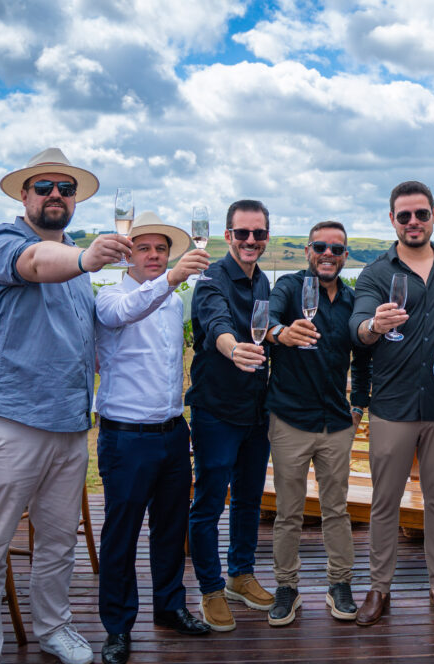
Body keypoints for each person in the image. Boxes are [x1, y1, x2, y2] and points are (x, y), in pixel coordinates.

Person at [0, 147, 131, 664]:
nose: (56, 195)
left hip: (68, 424)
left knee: (58, 541)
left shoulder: (74, 258)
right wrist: (85, 259)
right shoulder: (2, 241)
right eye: (44, 186)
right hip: (7, 419)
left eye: (66, 188)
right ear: (24, 195)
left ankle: (54, 627)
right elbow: (34, 263)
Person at [349, 181, 434, 626]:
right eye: (403, 215)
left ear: (433, 216)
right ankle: (378, 588)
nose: (413, 222)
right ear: (392, 220)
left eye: (420, 214)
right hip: (392, 405)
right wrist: (373, 325)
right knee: (385, 501)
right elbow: (358, 327)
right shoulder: (375, 274)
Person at [93, 212, 212, 664]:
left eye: (161, 249)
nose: (154, 255)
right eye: (144, 248)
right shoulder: (110, 296)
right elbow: (126, 312)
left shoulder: (174, 303)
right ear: (128, 254)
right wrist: (173, 279)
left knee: (170, 527)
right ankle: (117, 627)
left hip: (172, 432)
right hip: (125, 437)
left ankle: (170, 606)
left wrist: (170, 285)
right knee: (121, 535)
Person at [263, 220, 371, 626]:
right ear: (308, 251)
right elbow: (267, 323)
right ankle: (286, 587)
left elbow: (363, 360)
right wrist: (281, 333)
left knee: (336, 510)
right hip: (290, 419)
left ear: (345, 256)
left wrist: (358, 407)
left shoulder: (352, 300)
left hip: (336, 423)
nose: (328, 254)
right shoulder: (289, 288)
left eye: (336, 249)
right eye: (320, 246)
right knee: (288, 512)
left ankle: (339, 583)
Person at [185, 199, 273, 632]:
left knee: (249, 499)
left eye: (258, 233)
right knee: (208, 501)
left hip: (256, 410)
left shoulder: (264, 281)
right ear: (228, 236)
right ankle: (211, 588)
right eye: (242, 233)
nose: (250, 240)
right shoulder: (210, 279)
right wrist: (233, 348)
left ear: (267, 237)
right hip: (216, 411)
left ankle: (240, 574)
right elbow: (216, 322)